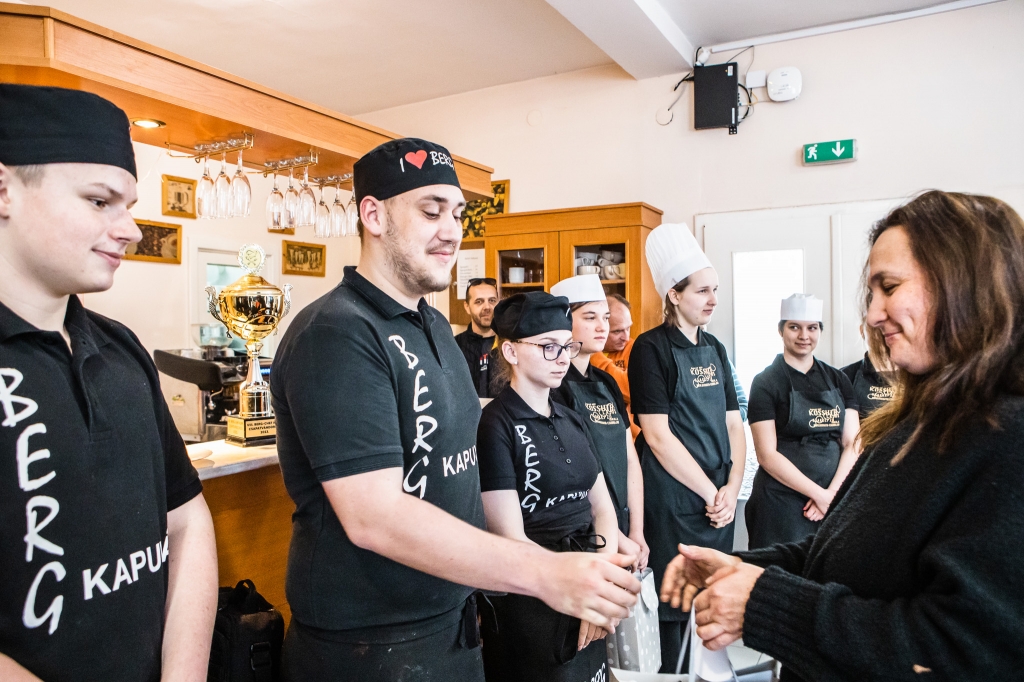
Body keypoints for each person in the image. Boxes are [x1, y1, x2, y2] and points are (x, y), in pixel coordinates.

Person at [270, 137, 639, 682]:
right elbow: (373, 516)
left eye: (458, 213)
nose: (451, 230)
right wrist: (544, 572)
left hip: (451, 621)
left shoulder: (435, 325)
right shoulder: (337, 332)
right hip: (371, 643)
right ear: (373, 215)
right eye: (431, 211)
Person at [659, 190, 1024, 681]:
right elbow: (840, 555)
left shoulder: (1007, 440)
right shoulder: (913, 423)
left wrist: (763, 602)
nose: (873, 315)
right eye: (872, 294)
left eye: (889, 287)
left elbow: (958, 651)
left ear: (965, 285)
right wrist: (739, 567)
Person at [0, 84, 217, 681]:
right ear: (4, 191)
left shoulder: (120, 349)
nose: (132, 230)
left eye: (128, 205)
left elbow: (186, 519)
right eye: (100, 201)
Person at [477, 291, 623, 682]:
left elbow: (603, 508)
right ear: (511, 351)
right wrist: (578, 586)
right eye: (548, 347)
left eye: (567, 346)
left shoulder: (571, 419)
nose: (562, 358)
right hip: (533, 599)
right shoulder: (496, 425)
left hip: (589, 583)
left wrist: (601, 581)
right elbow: (509, 537)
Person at [627, 223, 746, 672]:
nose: (713, 299)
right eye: (702, 291)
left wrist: (731, 488)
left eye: (715, 290)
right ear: (674, 295)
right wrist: (710, 492)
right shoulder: (650, 349)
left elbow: (735, 424)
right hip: (674, 500)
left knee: (709, 607)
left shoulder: (715, 348)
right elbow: (657, 435)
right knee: (672, 611)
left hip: (716, 502)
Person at [744, 295, 861, 549]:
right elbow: (766, 454)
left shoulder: (839, 379)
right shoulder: (765, 382)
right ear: (780, 330)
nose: (804, 335)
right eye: (794, 327)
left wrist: (832, 495)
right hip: (780, 503)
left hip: (831, 501)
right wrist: (820, 495)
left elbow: (853, 442)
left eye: (812, 328)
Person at [550, 274, 649, 569]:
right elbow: (575, 472)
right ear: (565, 322)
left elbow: (629, 457)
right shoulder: (555, 387)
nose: (602, 326)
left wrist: (637, 531)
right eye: (590, 317)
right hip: (586, 530)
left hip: (623, 519)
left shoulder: (607, 382)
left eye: (605, 317)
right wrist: (617, 537)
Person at [590, 293, 640, 437]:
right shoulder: (577, 352)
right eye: (617, 331)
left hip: (630, 438)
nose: (626, 337)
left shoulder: (636, 349)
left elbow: (632, 390)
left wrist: (594, 357)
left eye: (628, 328)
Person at [455, 277, 499, 398]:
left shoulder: (510, 346)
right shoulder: (454, 347)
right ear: (467, 307)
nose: (487, 307)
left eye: (492, 300)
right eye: (479, 301)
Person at [841, 327, 897, 418]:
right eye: (875, 328)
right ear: (862, 331)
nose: (882, 334)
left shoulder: (917, 377)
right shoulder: (842, 377)